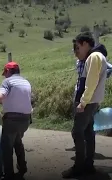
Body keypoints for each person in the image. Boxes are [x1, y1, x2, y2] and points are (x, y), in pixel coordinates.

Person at [62, 32, 108, 178]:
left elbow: (91, 82)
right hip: (91, 102)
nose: (77, 51)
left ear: (85, 44)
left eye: (78, 47)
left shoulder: (94, 57)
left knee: (77, 132)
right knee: (88, 133)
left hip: (87, 103)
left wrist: (82, 103)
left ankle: (79, 167)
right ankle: (88, 166)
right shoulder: (96, 57)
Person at [0, 61, 32, 180]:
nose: (4, 76)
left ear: (9, 71)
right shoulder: (26, 82)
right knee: (17, 142)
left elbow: (1, 96)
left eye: (5, 73)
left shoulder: (7, 82)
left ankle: (8, 175)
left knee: (6, 147)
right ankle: (22, 167)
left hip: (12, 120)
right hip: (25, 120)